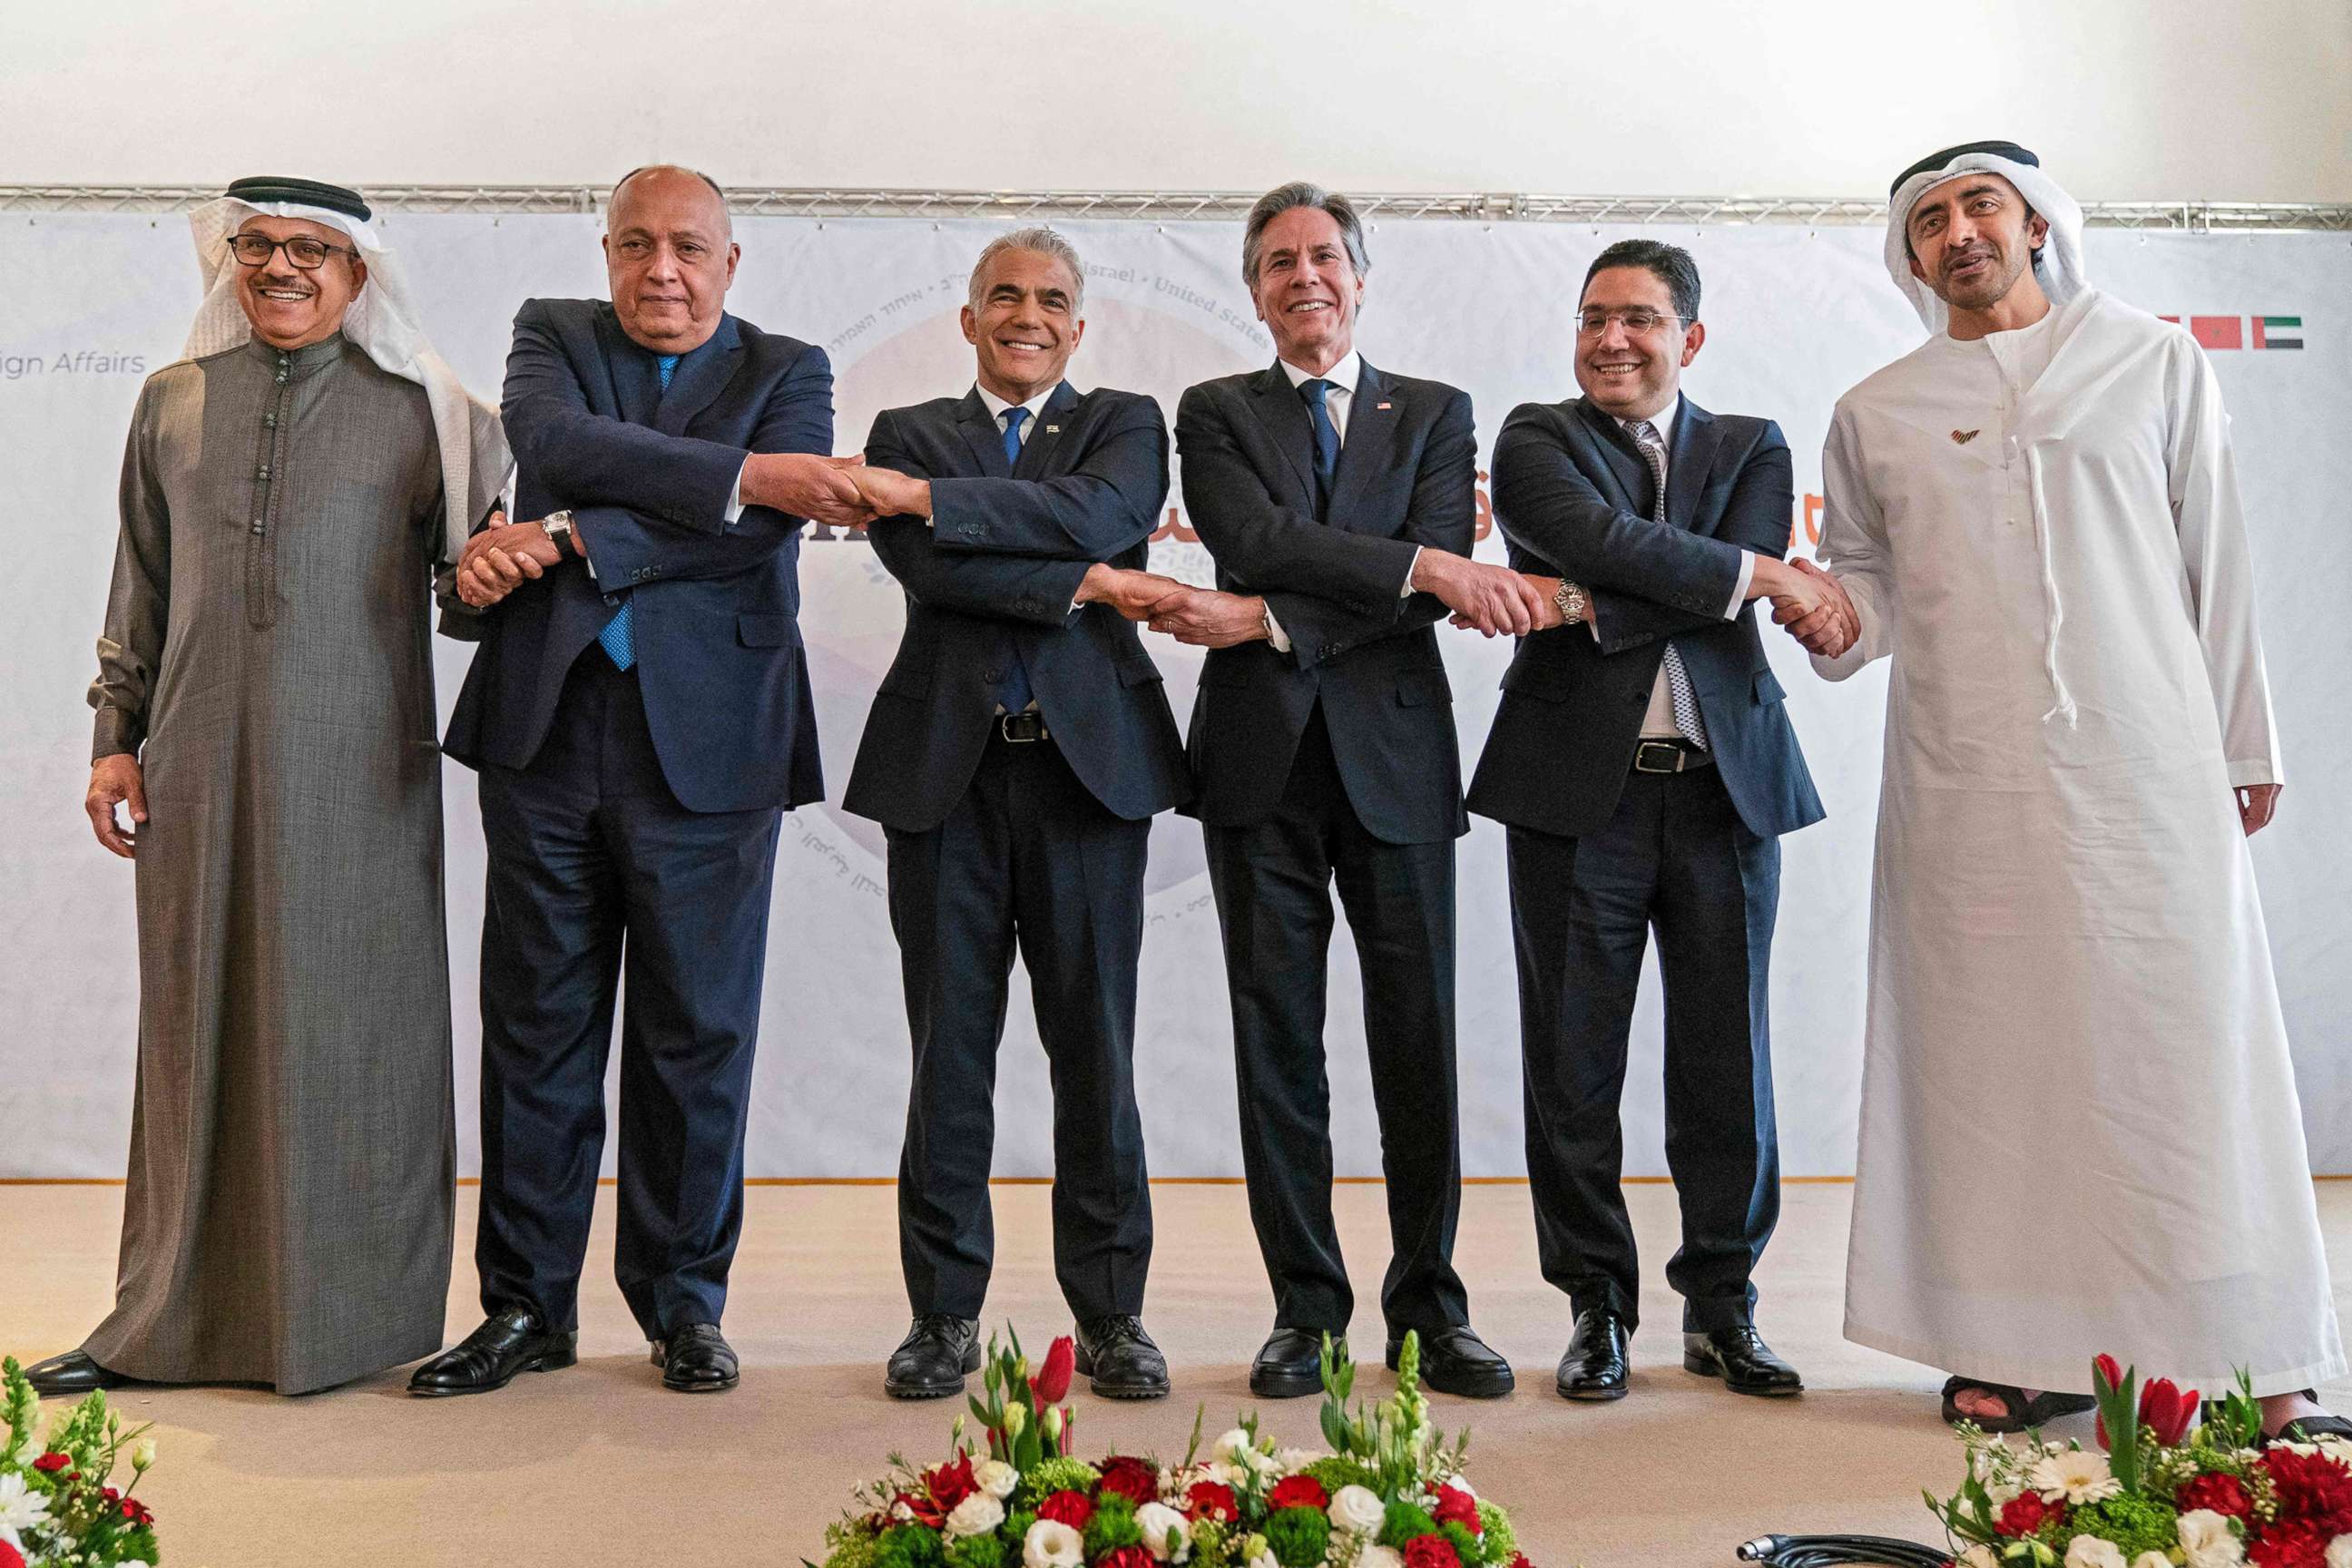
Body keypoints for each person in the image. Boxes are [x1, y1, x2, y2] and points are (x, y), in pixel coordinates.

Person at [1797, 140, 2348, 1439]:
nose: (1958, 232)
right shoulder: (1875, 409)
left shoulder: (2152, 359)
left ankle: (2256, 1356)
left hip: (2149, 765)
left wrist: (2243, 744)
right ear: (1911, 255)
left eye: (1980, 204)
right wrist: (1829, 617)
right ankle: (2017, 1345)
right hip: (1966, 780)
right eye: (1929, 220)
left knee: (2188, 1054)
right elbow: (1870, 594)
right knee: (1993, 1070)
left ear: (2036, 224)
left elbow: (2215, 556)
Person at [32, 175, 507, 1397]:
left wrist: (497, 560)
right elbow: (138, 583)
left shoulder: (423, 417)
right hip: (191, 761)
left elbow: (463, 607)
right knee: (195, 1032)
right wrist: (112, 736)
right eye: (258, 246)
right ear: (229, 260)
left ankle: (350, 1323)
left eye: (311, 250)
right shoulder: (172, 404)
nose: (281, 267)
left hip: (360, 770)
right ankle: (162, 1319)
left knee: (353, 1034)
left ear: (358, 278)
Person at [411, 165, 861, 1397]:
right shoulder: (551, 336)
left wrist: (565, 533)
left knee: (695, 1035)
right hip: (549, 730)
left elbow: (768, 523)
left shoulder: (792, 367)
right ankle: (525, 1309)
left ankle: (681, 1305)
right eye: (639, 245)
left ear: (731, 260)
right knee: (538, 1030)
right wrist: (728, 475)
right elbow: (552, 442)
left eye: (690, 249)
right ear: (607, 252)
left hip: (714, 746)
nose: (663, 270)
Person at [1149, 181, 1543, 1401]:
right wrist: (1417, 562)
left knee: (1417, 1044)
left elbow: (1409, 592)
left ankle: (1432, 1304)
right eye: (1277, 262)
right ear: (1255, 290)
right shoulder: (1212, 410)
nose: (1302, 277)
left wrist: (1272, 617)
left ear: (1360, 278)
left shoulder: (1434, 411)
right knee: (1281, 1049)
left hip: (1399, 766)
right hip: (1259, 768)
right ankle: (1304, 1312)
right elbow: (1256, 535)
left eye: (1324, 257)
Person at [1467, 240, 1833, 1404]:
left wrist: (1587, 601)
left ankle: (1723, 1309)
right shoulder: (1534, 437)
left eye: (1637, 319)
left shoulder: (1753, 445)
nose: (1611, 339)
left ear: (1692, 337)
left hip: (1726, 791)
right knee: (1573, 1062)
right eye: (1592, 318)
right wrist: (1746, 579)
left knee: (1730, 1061)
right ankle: (1596, 1308)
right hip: (1581, 795)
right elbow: (1611, 543)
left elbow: (1627, 571)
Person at [840, 229, 1191, 1401]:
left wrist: (956, 508)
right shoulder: (905, 434)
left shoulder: (1127, 422)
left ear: (1078, 327)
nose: (1026, 314)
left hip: (1088, 780)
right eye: (1004, 296)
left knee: (1097, 1054)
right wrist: (1086, 581)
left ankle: (1112, 1317)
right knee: (950, 1059)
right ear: (969, 318)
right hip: (944, 777)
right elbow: (931, 572)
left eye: (1050, 300)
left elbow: (1104, 511)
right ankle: (941, 1316)